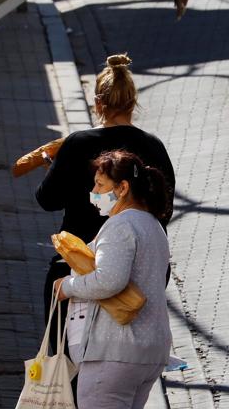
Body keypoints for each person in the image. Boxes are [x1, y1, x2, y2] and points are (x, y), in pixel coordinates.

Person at [54, 150, 173, 409]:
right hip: (149, 346)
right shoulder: (152, 225)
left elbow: (109, 280)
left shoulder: (121, 226)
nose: (94, 192)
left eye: (100, 185)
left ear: (122, 188)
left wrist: (67, 286)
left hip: (114, 346)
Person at [37, 53, 176, 338]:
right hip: (141, 272)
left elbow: (47, 200)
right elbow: (165, 209)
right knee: (132, 351)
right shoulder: (154, 147)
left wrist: (56, 170)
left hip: (81, 266)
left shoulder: (78, 144)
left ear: (98, 103)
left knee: (71, 355)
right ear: (132, 102)